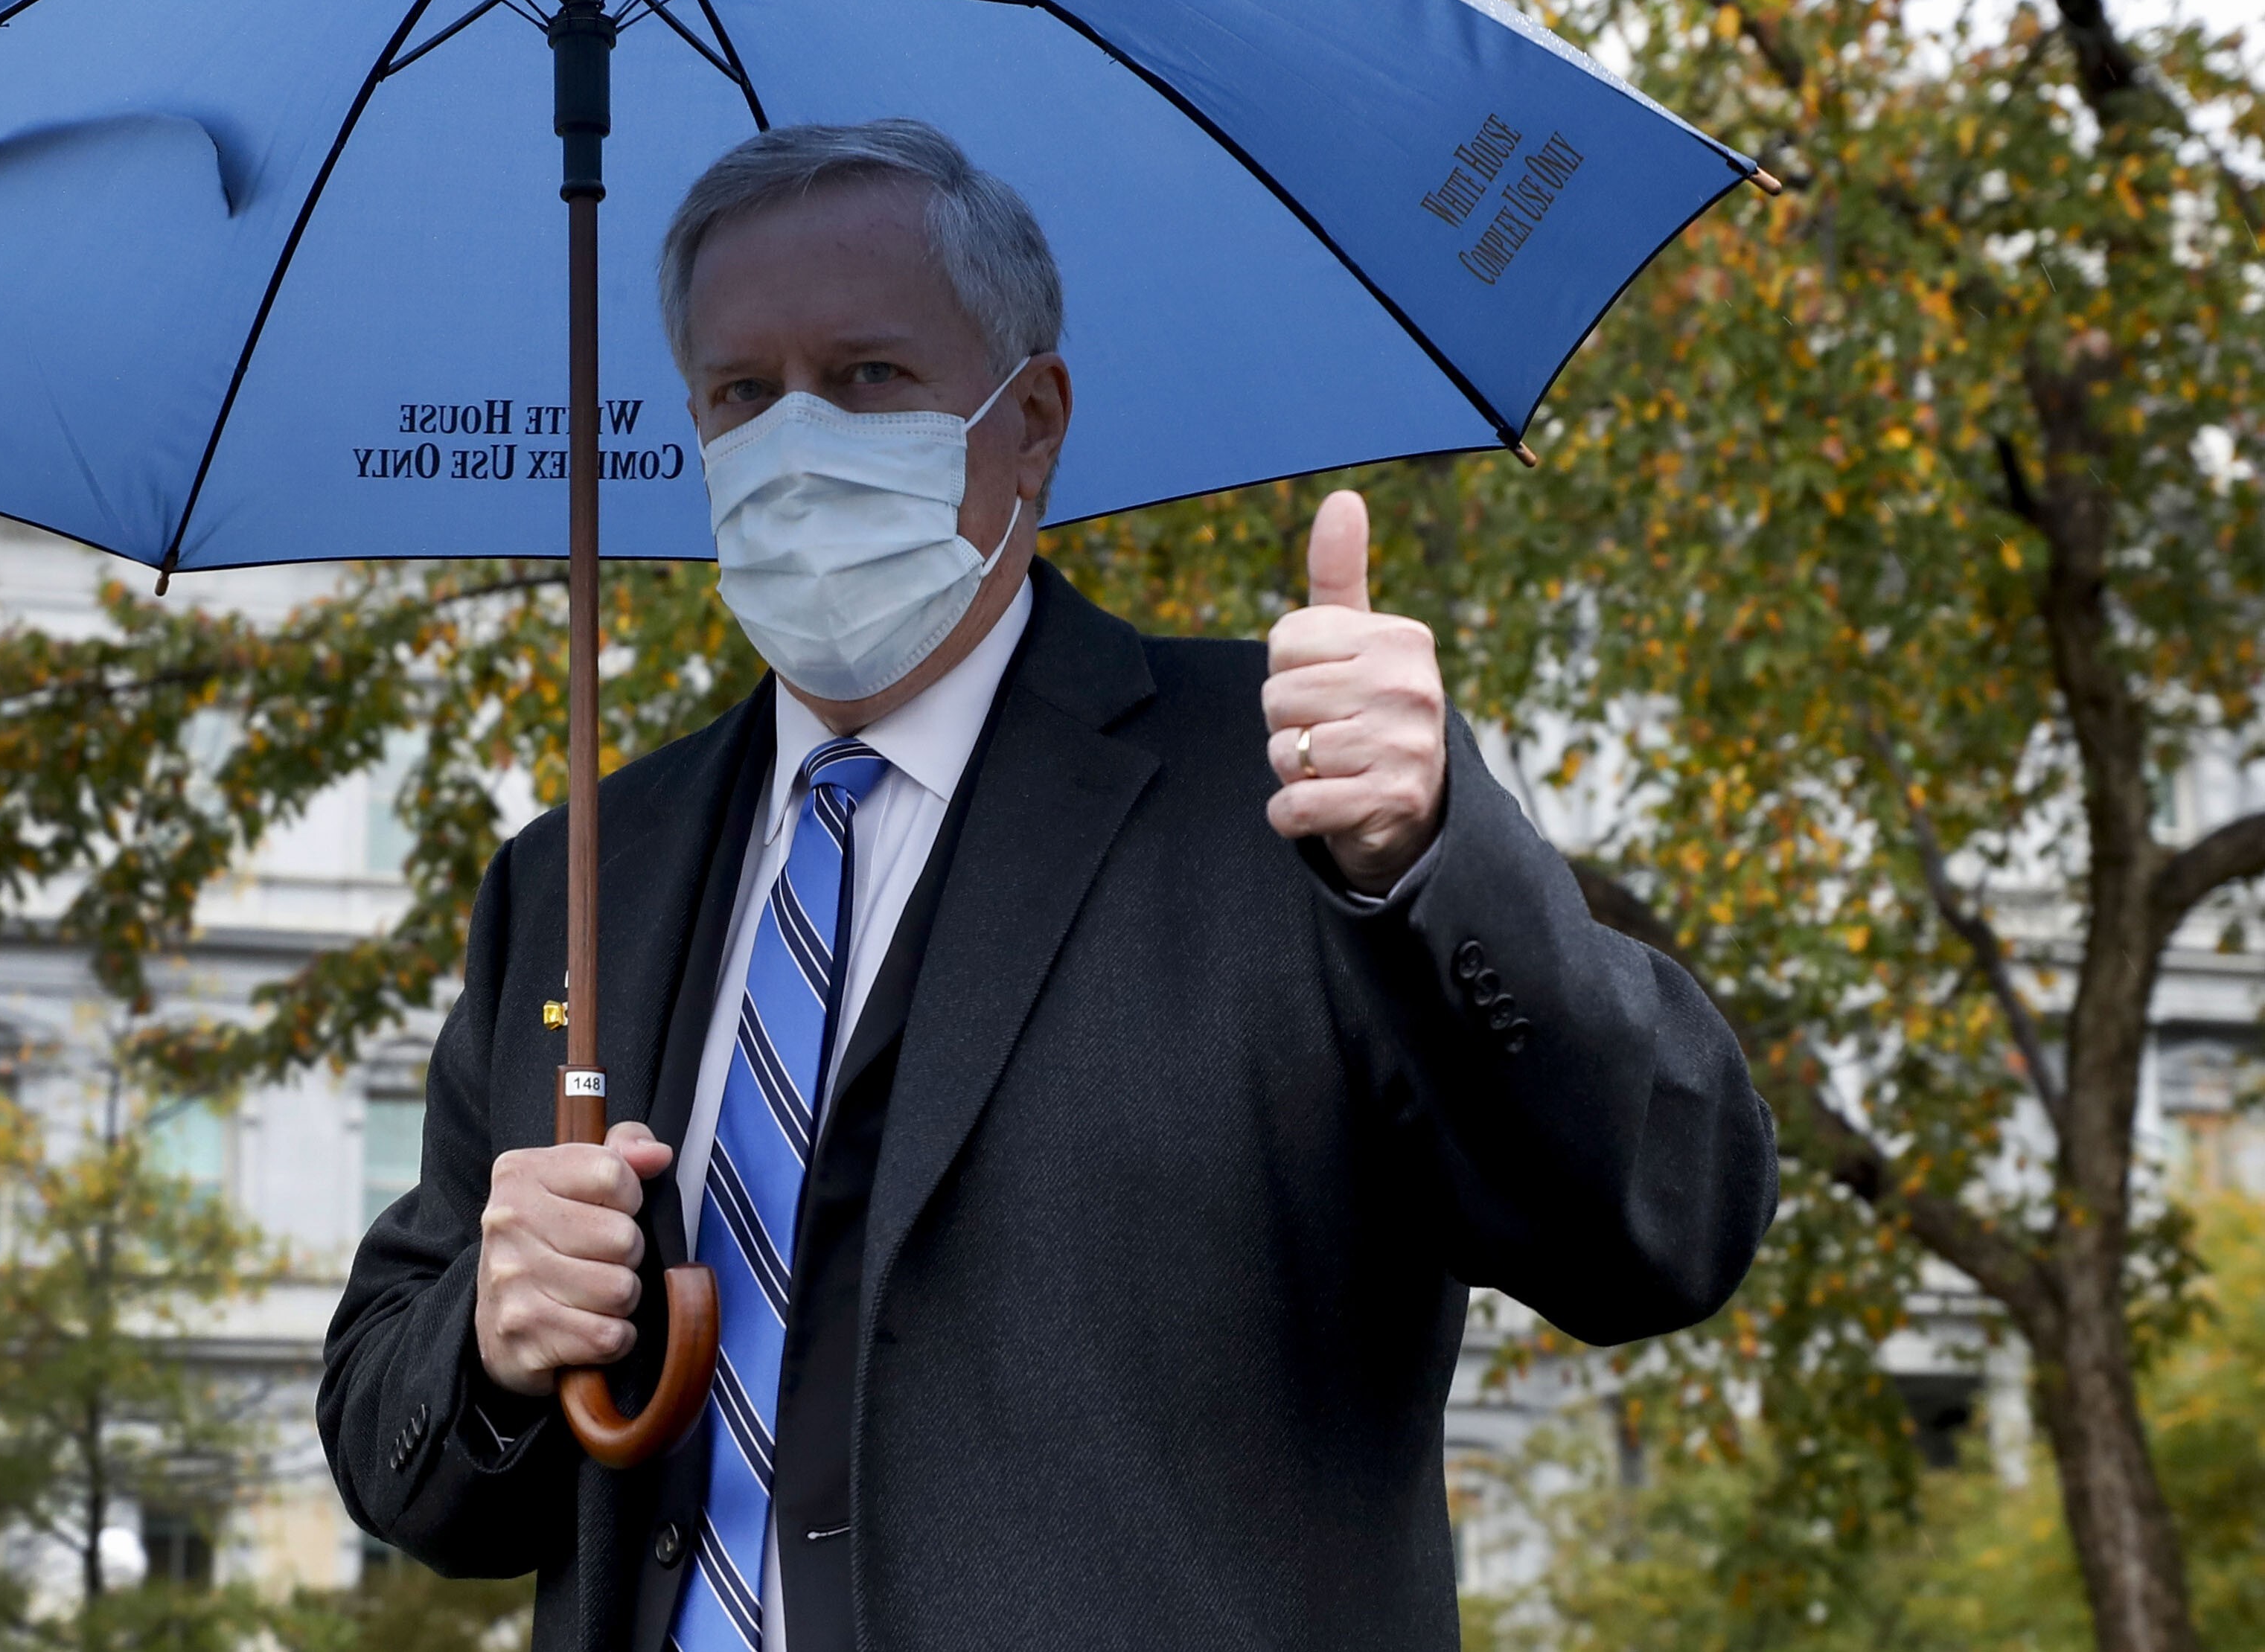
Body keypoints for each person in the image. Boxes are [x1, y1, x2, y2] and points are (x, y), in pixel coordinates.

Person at [319, 119, 1774, 1651]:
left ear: (1033, 424)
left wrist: (1435, 860)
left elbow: (1663, 1222)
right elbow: (392, 1452)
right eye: (745, 393)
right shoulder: (582, 874)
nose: (797, 443)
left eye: (870, 375)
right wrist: (494, 1341)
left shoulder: (1293, 797)